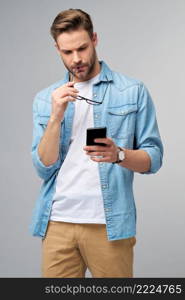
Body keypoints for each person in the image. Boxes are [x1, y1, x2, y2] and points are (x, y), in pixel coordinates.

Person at [30, 8, 163, 278]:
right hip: (57, 224)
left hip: (109, 225)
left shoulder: (132, 91)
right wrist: (56, 117)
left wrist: (119, 154)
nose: (77, 59)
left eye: (82, 48)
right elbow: (43, 168)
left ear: (95, 39)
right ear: (57, 49)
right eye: (67, 52)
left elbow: (154, 158)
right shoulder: (46, 99)